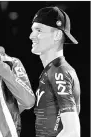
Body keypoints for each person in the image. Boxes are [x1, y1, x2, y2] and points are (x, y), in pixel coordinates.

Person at [30, 6, 80, 137]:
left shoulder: (59, 71)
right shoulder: (52, 70)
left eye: (39, 30)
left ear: (57, 34)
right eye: (32, 30)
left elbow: (72, 132)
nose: (31, 36)